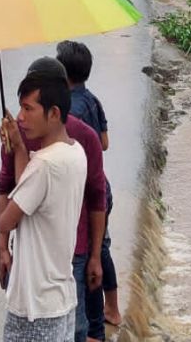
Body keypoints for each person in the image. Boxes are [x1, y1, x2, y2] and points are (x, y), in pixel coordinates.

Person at [0, 59, 106, 342]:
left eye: (28, 109)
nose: (20, 117)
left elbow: (5, 220)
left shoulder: (44, 165)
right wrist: (19, 147)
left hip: (35, 303)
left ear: (54, 113)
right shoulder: (75, 151)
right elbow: (32, 193)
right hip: (59, 294)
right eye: (20, 107)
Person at [57, 41, 120, 335]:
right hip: (103, 189)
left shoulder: (71, 113)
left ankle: (96, 325)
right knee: (101, 250)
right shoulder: (93, 100)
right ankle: (110, 312)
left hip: (87, 196)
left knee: (91, 259)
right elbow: (104, 143)